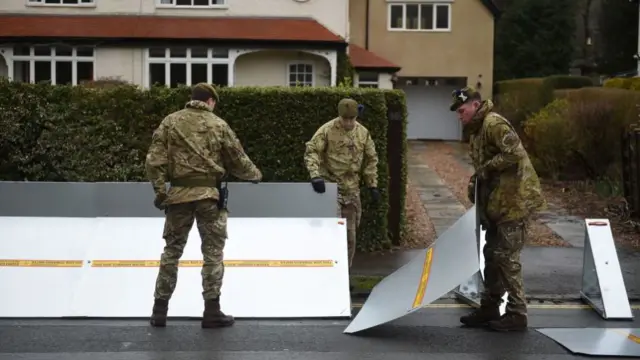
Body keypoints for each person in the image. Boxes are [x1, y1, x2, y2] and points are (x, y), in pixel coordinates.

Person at [145, 83, 262, 329]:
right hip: (209, 196)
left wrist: (159, 192)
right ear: (210, 101)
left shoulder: (170, 122)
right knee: (212, 254)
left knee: (171, 252)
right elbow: (237, 158)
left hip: (177, 196)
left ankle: (159, 310)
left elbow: (154, 160)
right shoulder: (218, 124)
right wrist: (256, 175)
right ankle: (211, 311)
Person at [450, 86, 545, 332]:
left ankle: (517, 313)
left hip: (515, 202)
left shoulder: (493, 124)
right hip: (497, 203)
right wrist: (477, 184)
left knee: (507, 258)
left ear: (475, 105)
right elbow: (484, 169)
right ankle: (490, 307)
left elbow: (514, 153)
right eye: (457, 112)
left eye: (462, 110)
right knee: (491, 256)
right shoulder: (477, 131)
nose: (460, 116)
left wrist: (488, 168)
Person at [303, 98, 380, 273]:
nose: (348, 123)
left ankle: (343, 274)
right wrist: (315, 176)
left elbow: (371, 158)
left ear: (356, 116)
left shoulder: (363, 133)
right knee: (332, 232)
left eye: (352, 119)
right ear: (340, 116)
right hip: (331, 188)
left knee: (350, 237)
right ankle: (327, 272)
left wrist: (372, 184)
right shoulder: (327, 130)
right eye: (345, 119)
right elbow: (312, 151)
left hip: (352, 190)